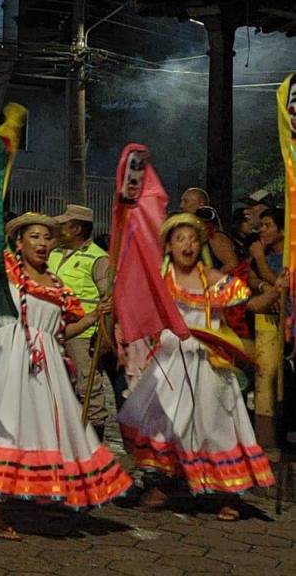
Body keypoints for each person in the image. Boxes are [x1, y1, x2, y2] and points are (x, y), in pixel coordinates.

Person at [0, 212, 132, 540]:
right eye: (34, 237)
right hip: (10, 358)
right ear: (19, 242)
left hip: (46, 365)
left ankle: (47, 492)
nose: (42, 244)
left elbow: (62, 330)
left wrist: (92, 317)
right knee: (11, 430)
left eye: (47, 238)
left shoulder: (58, 286)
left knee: (48, 430)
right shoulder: (7, 270)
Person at [117, 213, 276, 520]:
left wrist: (274, 290)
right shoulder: (161, 281)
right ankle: (165, 485)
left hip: (209, 368)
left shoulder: (214, 280)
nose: (187, 245)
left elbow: (251, 304)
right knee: (166, 425)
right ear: (169, 247)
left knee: (217, 428)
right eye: (180, 239)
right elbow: (135, 308)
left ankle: (231, 493)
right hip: (171, 366)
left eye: (192, 239)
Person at [49, 204, 111, 438]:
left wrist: (103, 333)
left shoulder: (98, 259)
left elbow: (108, 299)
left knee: (88, 387)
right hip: (55, 329)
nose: (58, 230)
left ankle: (94, 439)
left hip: (84, 334)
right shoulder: (54, 253)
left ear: (76, 228)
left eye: (63, 225)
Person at [247, 207, 286, 447]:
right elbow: (252, 278)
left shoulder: (288, 256)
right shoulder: (263, 254)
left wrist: (261, 259)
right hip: (267, 328)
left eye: (268, 225)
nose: (262, 230)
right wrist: (265, 289)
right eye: (260, 226)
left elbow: (282, 282)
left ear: (283, 229)